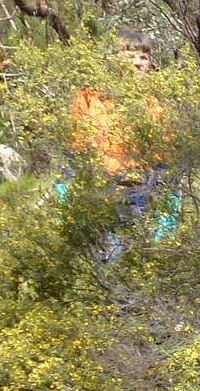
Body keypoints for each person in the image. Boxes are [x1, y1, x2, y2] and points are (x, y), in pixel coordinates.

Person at [70, 31, 178, 252]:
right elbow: (74, 148)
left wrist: (168, 203)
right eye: (130, 57)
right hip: (104, 187)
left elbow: (168, 154)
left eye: (143, 58)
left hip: (148, 185)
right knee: (112, 255)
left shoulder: (157, 100)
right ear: (114, 60)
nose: (137, 64)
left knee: (154, 256)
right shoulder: (89, 97)